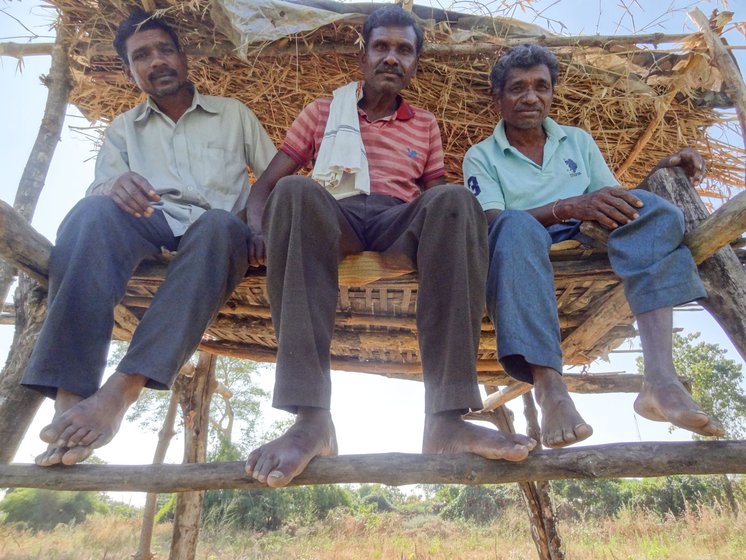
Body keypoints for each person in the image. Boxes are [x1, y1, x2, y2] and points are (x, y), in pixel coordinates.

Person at [244, 6, 536, 488]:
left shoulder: (424, 124)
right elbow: (265, 187)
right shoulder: (322, 111)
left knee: (458, 200)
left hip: (396, 217)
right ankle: (311, 418)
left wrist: (412, 247)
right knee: (295, 191)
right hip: (333, 217)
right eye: (382, 47)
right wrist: (257, 228)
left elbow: (438, 201)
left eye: (404, 50)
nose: (391, 58)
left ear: (415, 64)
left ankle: (445, 419)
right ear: (364, 56)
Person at [23, 8, 276, 466]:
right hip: (149, 218)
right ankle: (71, 400)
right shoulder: (122, 129)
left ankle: (121, 392)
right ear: (129, 71)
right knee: (89, 215)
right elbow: (101, 188)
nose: (156, 61)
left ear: (183, 59)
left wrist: (255, 224)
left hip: (218, 229)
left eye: (165, 50)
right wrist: (112, 186)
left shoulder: (233, 114)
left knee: (219, 226)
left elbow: (274, 177)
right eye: (142, 55)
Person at [463, 44, 724, 448]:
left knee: (658, 213)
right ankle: (550, 387)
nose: (530, 97)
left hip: (586, 233)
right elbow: (491, 221)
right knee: (514, 226)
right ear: (498, 98)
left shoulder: (577, 142)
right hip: (523, 242)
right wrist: (567, 205)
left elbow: (612, 196)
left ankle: (660, 379)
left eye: (541, 87)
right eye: (517, 88)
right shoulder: (481, 156)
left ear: (551, 93)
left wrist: (660, 171)